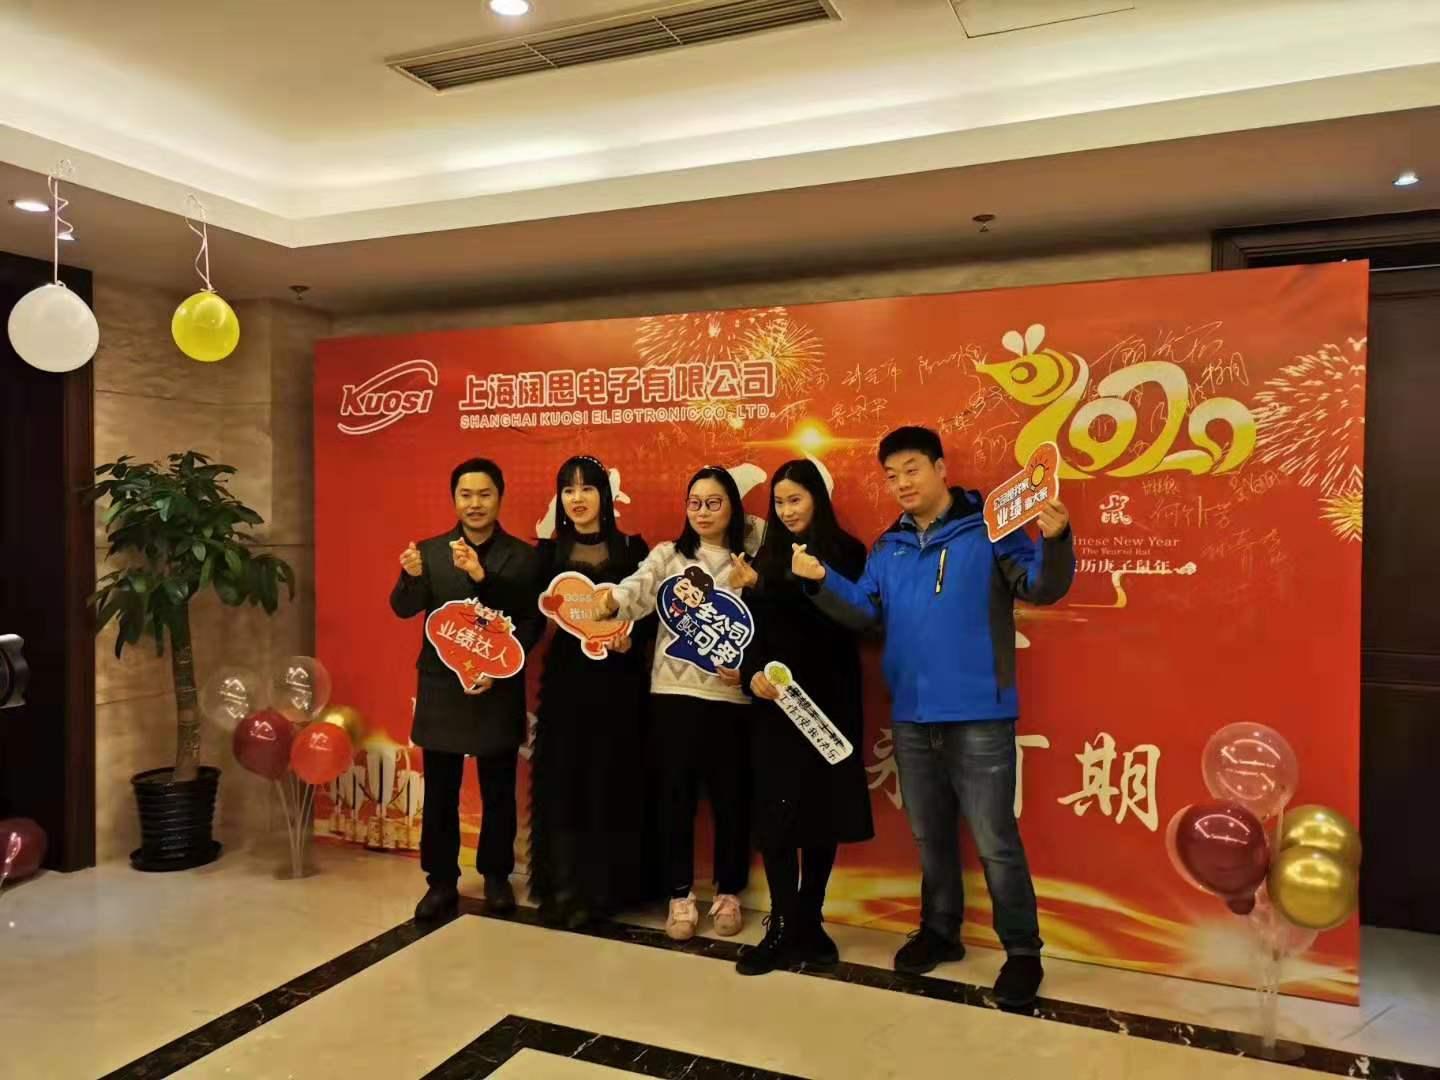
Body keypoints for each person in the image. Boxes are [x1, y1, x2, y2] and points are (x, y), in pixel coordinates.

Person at [790, 426, 1073, 1008]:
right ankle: (940, 931)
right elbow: (864, 611)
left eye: (912, 469)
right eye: (891, 475)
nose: (901, 483)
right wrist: (820, 582)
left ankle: (1023, 953)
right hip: (913, 717)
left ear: (941, 468)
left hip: (980, 713)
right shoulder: (888, 547)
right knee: (930, 835)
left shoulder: (991, 529)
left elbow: (1041, 586)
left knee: (995, 840)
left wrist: (1057, 539)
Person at [595, 466, 761, 942]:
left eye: (714, 502)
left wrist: (757, 583)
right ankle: (680, 896)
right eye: (695, 503)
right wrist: (613, 601)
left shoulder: (749, 561)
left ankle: (729, 893)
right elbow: (638, 588)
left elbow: (767, 623)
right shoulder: (669, 555)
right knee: (674, 801)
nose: (703, 512)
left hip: (731, 699)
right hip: (673, 698)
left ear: (732, 507)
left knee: (732, 802)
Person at [734, 459, 874, 976]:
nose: (788, 511)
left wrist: (788, 585)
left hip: (829, 704)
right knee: (776, 819)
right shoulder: (763, 556)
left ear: (818, 498)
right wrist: (751, 674)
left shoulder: (847, 553)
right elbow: (749, 631)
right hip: (776, 706)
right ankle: (782, 922)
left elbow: (850, 621)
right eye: (780, 502)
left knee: (821, 815)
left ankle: (810, 919)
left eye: (796, 499)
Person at [390, 457, 543, 922]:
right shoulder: (430, 552)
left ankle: (496, 877)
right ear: (454, 499)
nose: (475, 504)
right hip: (442, 685)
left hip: (497, 686)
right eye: (466, 495)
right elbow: (403, 608)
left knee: (498, 789)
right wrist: (410, 576)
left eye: (484, 494)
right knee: (441, 791)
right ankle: (440, 882)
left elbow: (531, 623)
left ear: (500, 498)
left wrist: (500, 668)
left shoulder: (524, 557)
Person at [530, 455, 657, 928]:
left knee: (612, 781)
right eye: (568, 490)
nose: (577, 498)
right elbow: (526, 613)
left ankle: (608, 891)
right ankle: (563, 887)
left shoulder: (632, 548)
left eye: (587, 488)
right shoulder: (547, 553)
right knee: (563, 783)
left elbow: (651, 614)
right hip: (566, 684)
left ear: (605, 494)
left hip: (619, 684)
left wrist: (631, 640)